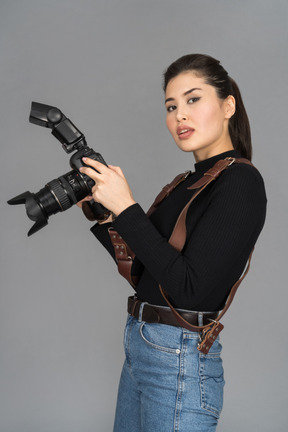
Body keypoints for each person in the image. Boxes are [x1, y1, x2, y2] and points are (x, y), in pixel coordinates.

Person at [78, 54, 267, 432]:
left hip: (179, 358)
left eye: (193, 99)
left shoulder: (240, 183)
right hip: (142, 347)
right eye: (171, 106)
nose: (180, 115)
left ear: (228, 104)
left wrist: (127, 206)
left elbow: (190, 291)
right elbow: (147, 275)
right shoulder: (185, 183)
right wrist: (105, 215)